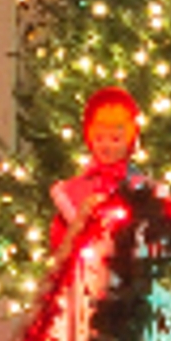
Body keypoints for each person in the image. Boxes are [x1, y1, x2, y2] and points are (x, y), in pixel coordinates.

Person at [49, 85, 143, 251]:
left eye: (115, 139)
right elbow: (61, 241)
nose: (106, 146)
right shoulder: (73, 190)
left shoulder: (138, 185)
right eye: (99, 139)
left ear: (129, 140)